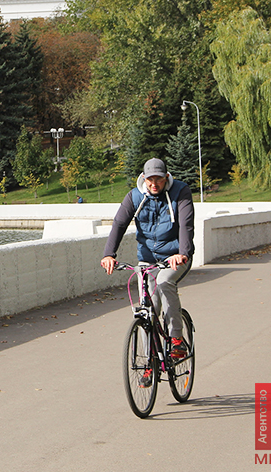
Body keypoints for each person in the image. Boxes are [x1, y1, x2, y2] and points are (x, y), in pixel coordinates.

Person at [100, 158, 195, 380]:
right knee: (148, 310)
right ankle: (150, 361)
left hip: (175, 257)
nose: (154, 184)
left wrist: (182, 252)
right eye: (150, 179)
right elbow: (119, 224)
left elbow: (186, 224)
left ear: (166, 177)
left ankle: (176, 340)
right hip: (148, 260)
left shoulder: (180, 191)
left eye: (159, 179)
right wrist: (108, 254)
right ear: (144, 178)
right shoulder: (135, 196)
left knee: (164, 282)